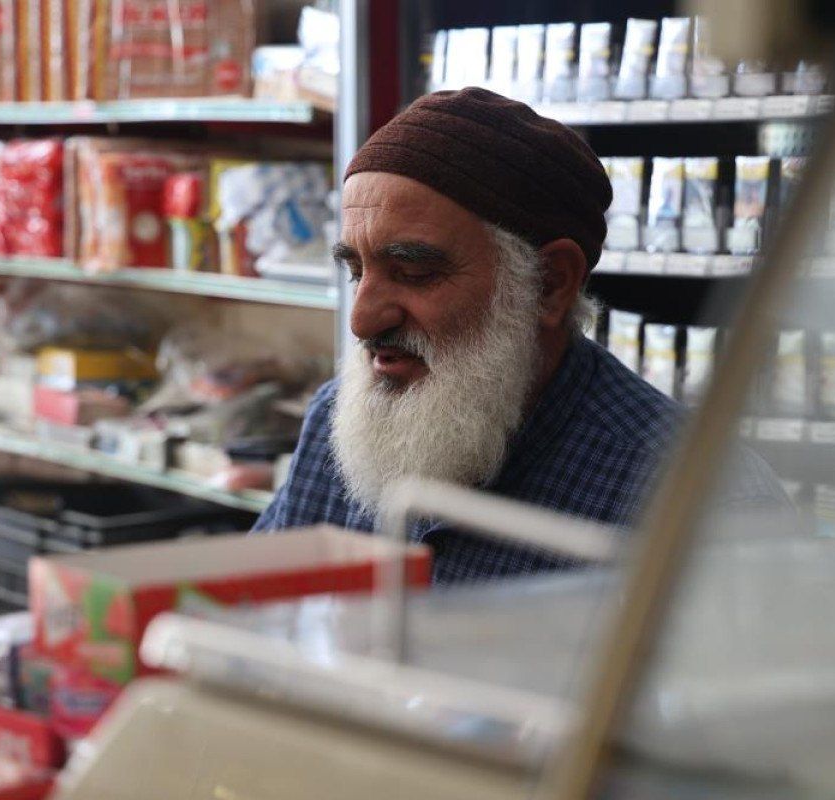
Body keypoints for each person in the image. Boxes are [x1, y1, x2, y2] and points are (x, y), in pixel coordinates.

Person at [253, 87, 785, 583]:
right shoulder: (339, 418)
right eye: (356, 271)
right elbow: (253, 613)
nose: (362, 320)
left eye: (414, 272)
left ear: (548, 284)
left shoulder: (704, 503)